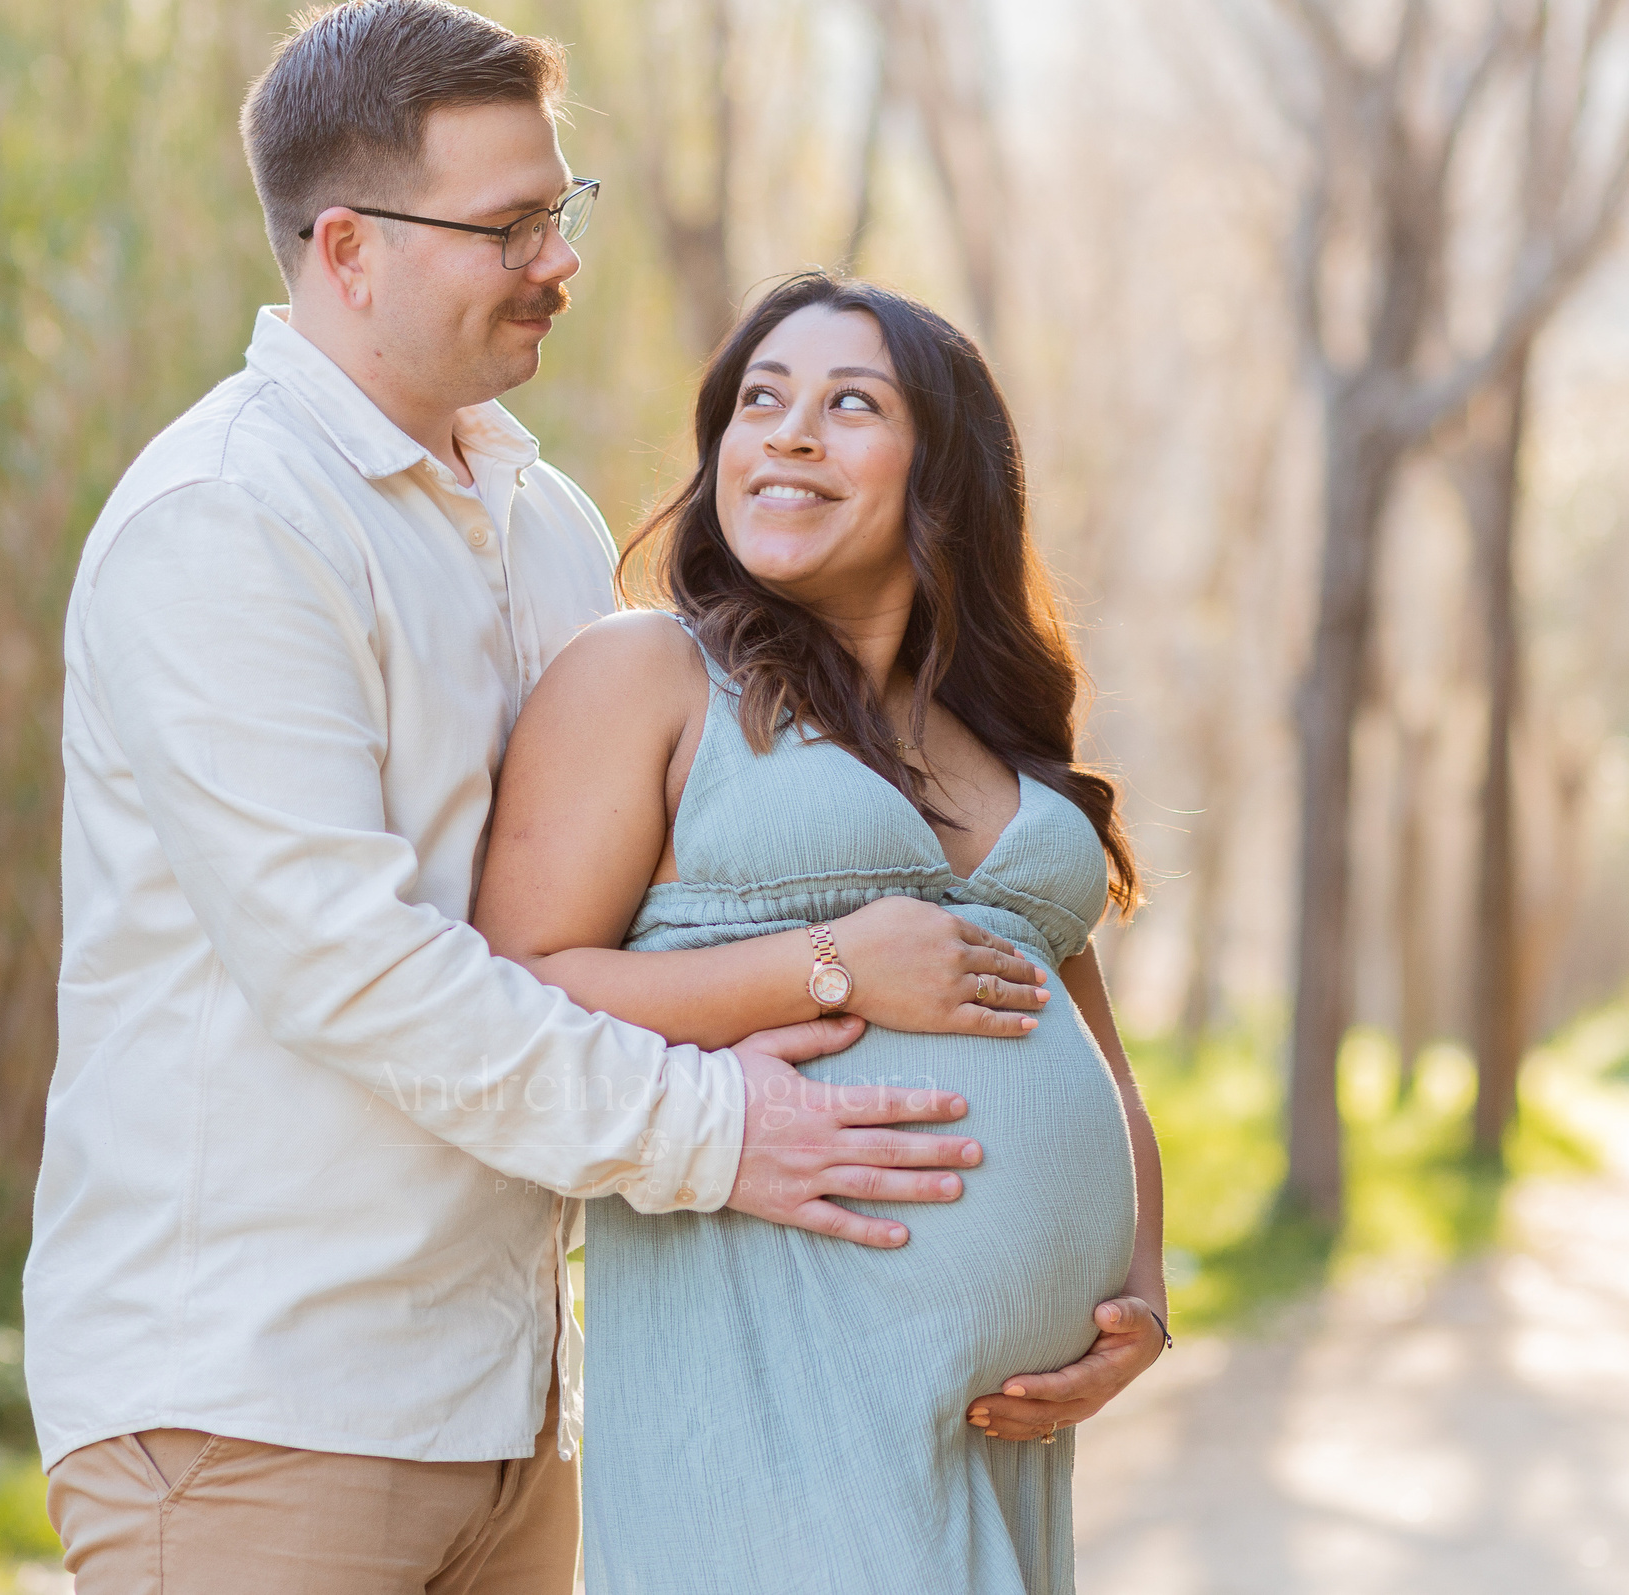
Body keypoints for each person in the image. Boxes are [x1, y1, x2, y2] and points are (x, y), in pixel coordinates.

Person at [23, 0, 1046, 1595]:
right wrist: (730, 1135)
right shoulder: (228, 525)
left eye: (558, 213)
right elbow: (356, 972)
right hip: (261, 1407)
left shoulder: (540, 519)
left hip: (513, 1408)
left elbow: (652, 894)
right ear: (349, 250)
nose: (559, 261)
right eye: (509, 226)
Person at [474, 271, 1171, 1594]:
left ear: (943, 472)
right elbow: (515, 987)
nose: (787, 432)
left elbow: (1094, 1053)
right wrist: (833, 964)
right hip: (775, 1386)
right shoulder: (652, 675)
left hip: (1005, 1436)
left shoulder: (1000, 741)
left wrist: (1138, 1288)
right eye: (760, 400)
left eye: (850, 404)